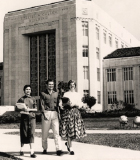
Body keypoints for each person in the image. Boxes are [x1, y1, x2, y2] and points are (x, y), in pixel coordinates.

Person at [59, 80, 86, 155]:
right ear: (69, 86)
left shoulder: (78, 94)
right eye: (70, 85)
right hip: (67, 112)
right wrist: (64, 105)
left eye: (73, 85)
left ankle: (68, 143)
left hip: (75, 112)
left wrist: (75, 104)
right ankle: (71, 147)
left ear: (75, 86)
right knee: (68, 130)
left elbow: (80, 103)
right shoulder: (66, 93)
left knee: (74, 130)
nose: (72, 86)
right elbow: (62, 104)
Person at [40, 79, 63, 156]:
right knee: (45, 133)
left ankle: (58, 149)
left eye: (52, 84)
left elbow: (59, 104)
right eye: (49, 84)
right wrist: (44, 113)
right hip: (46, 113)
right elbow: (41, 104)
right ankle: (45, 148)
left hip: (54, 113)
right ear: (46, 85)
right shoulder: (43, 93)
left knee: (56, 132)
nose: (51, 86)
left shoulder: (56, 94)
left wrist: (59, 114)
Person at [16, 85, 37, 158]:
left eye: (29, 89)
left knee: (31, 134)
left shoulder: (33, 99)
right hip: (24, 118)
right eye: (26, 89)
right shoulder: (21, 99)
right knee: (24, 133)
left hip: (32, 118)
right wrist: (23, 109)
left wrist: (29, 109)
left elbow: (36, 109)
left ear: (31, 91)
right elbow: (16, 108)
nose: (28, 90)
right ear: (24, 90)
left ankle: (32, 152)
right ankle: (21, 150)